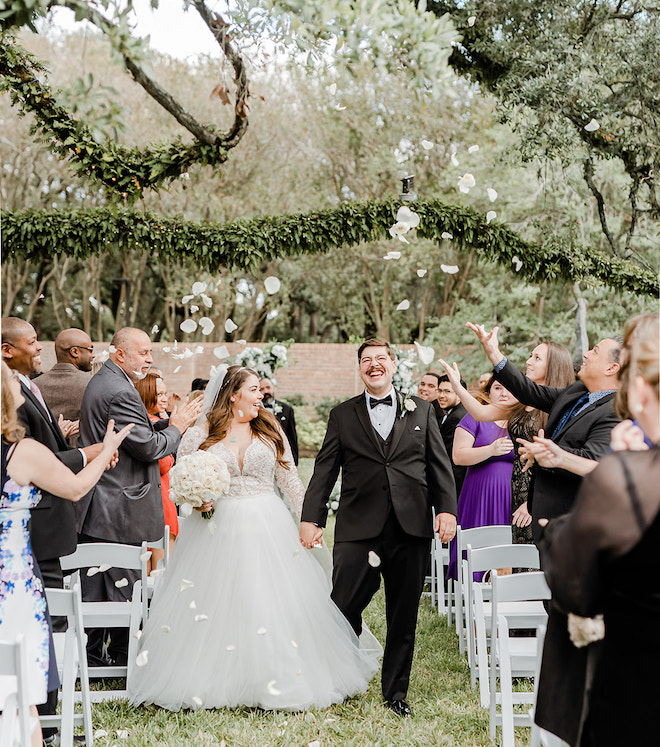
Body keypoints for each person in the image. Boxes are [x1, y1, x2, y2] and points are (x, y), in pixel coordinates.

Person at [128, 365, 379, 711]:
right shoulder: (202, 432)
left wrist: (310, 519)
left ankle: (276, 675)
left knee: (270, 599)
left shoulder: (270, 426)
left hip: (268, 523)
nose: (261, 393)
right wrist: (197, 498)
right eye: (253, 389)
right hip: (215, 528)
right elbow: (180, 481)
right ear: (233, 394)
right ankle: (215, 678)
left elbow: (289, 479)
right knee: (217, 600)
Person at [300, 338, 457, 717]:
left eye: (381, 359)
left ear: (392, 364)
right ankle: (337, 677)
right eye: (367, 360)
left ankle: (395, 694)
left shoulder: (421, 409)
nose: (374, 365)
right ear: (360, 369)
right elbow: (325, 469)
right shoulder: (343, 414)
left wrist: (447, 509)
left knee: (403, 614)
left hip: (411, 526)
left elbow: (438, 465)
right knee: (342, 606)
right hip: (358, 526)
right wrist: (311, 518)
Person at [535, 313, 660, 746]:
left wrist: (615, 473)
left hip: (627, 688)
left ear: (640, 391)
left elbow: (571, 582)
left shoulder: (630, 477)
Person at [0, 361, 133, 747]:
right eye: (10, 378)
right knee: (21, 689)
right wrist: (106, 449)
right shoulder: (21, 452)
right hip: (14, 578)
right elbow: (74, 489)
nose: (18, 381)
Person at [77, 327, 201, 667]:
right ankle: (118, 662)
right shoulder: (121, 391)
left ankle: (104, 659)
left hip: (105, 504)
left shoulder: (108, 381)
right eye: (143, 352)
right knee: (121, 590)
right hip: (117, 507)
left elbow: (137, 435)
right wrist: (177, 426)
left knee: (103, 588)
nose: (150, 358)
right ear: (120, 354)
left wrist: (165, 425)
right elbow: (147, 449)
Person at [468, 322, 621, 541]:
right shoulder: (576, 393)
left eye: (595, 351)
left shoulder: (615, 411)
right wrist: (494, 353)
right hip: (546, 521)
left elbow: (594, 461)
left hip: (574, 525)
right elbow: (529, 390)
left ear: (611, 368)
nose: (585, 354)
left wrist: (549, 453)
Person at [440, 341, 574, 543]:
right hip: (514, 494)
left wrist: (532, 503)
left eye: (537, 358)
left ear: (553, 365)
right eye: (531, 355)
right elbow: (481, 413)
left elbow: (562, 461)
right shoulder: (522, 402)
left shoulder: (561, 406)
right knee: (511, 562)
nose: (529, 361)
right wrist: (457, 387)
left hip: (539, 496)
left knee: (533, 563)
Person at [446, 376, 515, 580]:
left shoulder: (522, 422)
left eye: (509, 389)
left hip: (510, 499)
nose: (503, 393)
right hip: (479, 495)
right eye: (498, 387)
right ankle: (472, 590)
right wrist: (491, 450)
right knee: (477, 541)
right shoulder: (473, 418)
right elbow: (458, 456)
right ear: (488, 392)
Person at [134, 372, 178, 569]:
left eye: (165, 393)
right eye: (159, 394)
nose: (164, 398)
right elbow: (162, 463)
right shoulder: (149, 423)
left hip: (158, 497)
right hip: (159, 499)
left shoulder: (153, 420)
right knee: (162, 566)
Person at [34, 328, 94, 439]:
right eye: (90, 350)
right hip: (84, 453)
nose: (93, 355)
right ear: (75, 352)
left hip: (44, 451)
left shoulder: (33, 386)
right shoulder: (92, 384)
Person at [436, 374, 468, 497]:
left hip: (455, 482)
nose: (441, 395)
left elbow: (446, 455)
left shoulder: (456, 417)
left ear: (460, 394)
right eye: (439, 391)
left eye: (447, 391)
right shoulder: (454, 412)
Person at [259, 377, 299, 465]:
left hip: (282, 455)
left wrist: (295, 463)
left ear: (273, 388)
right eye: (261, 389)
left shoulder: (287, 409)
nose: (266, 391)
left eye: (268, 387)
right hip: (261, 456)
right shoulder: (255, 410)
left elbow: (292, 437)